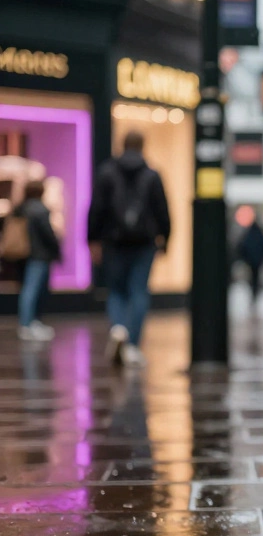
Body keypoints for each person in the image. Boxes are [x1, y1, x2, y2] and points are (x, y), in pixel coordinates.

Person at [88, 131, 170, 367]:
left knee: (116, 290)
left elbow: (96, 209)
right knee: (138, 291)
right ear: (143, 145)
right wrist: (166, 238)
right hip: (144, 242)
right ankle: (133, 344)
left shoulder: (107, 172)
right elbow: (162, 210)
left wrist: (92, 240)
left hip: (113, 241)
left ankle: (119, 329)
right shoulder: (151, 175)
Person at [15, 179, 60, 342]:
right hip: (39, 254)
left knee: (28, 289)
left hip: (22, 254)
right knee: (33, 289)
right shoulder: (40, 210)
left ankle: (29, 322)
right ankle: (28, 323)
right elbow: (48, 234)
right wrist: (56, 250)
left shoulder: (20, 208)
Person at [236, 219, 263, 303]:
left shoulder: (249, 235)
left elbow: (242, 247)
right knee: (255, 278)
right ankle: (254, 293)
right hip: (257, 261)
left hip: (251, 261)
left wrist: (246, 258)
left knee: (253, 278)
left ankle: (253, 293)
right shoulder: (260, 235)